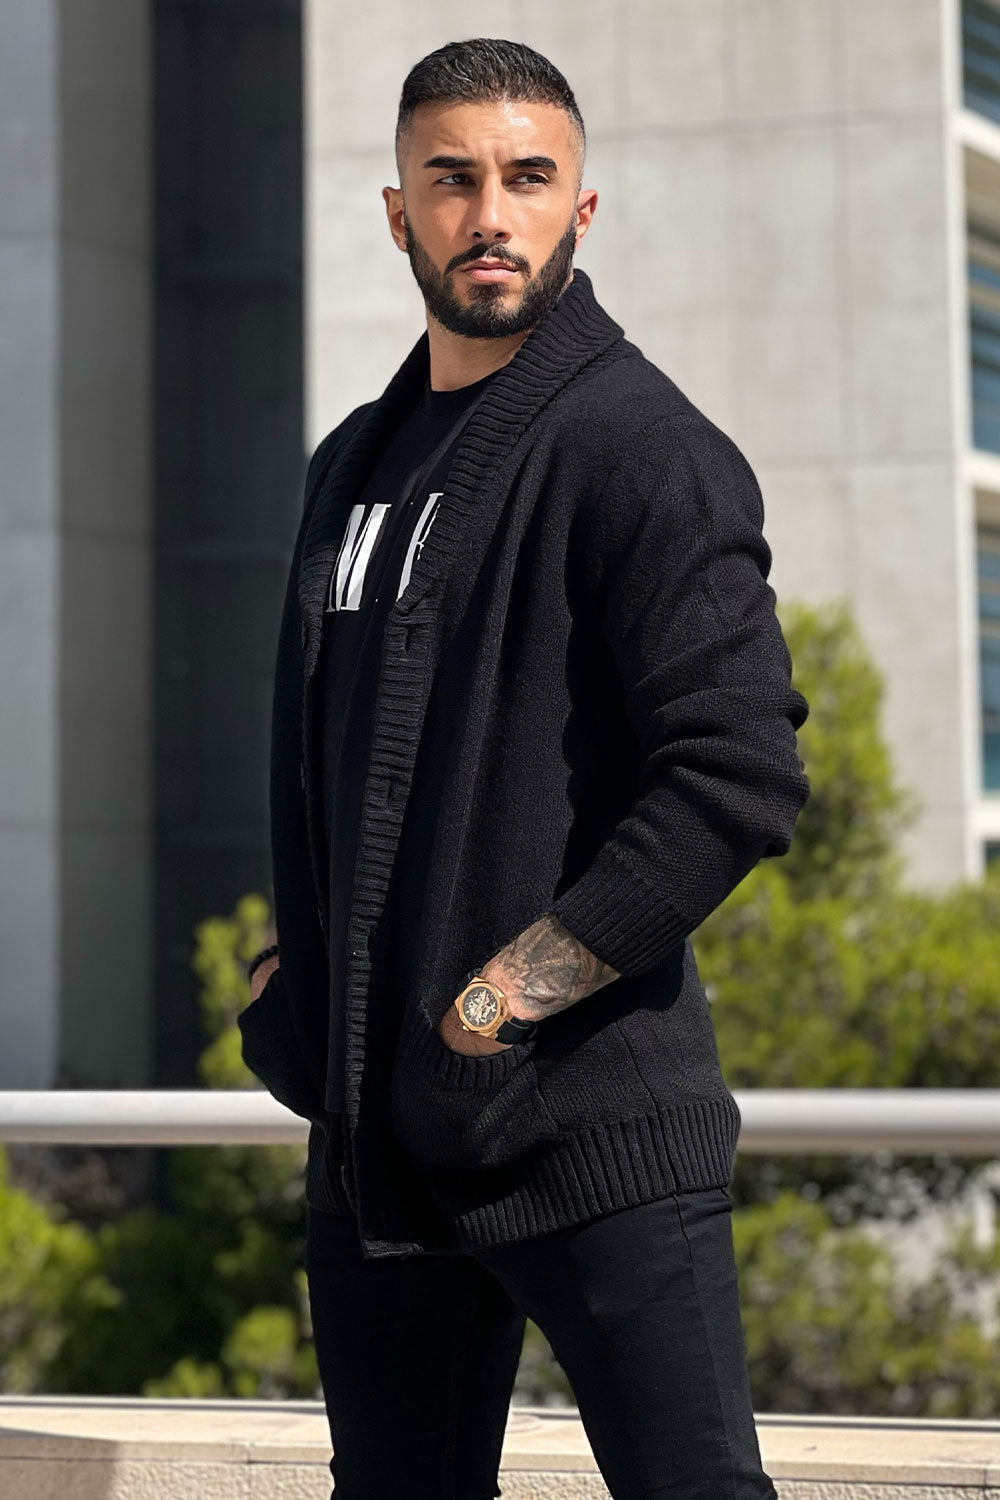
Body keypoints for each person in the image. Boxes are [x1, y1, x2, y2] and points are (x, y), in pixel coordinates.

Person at [240, 36, 811, 1500]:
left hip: (592, 1129)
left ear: (581, 208)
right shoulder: (350, 466)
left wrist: (502, 1001)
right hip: (381, 1151)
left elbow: (737, 771)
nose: (489, 214)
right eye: (452, 179)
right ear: (399, 212)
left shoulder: (642, 447)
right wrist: (295, 978)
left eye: (527, 177)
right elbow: (325, 759)